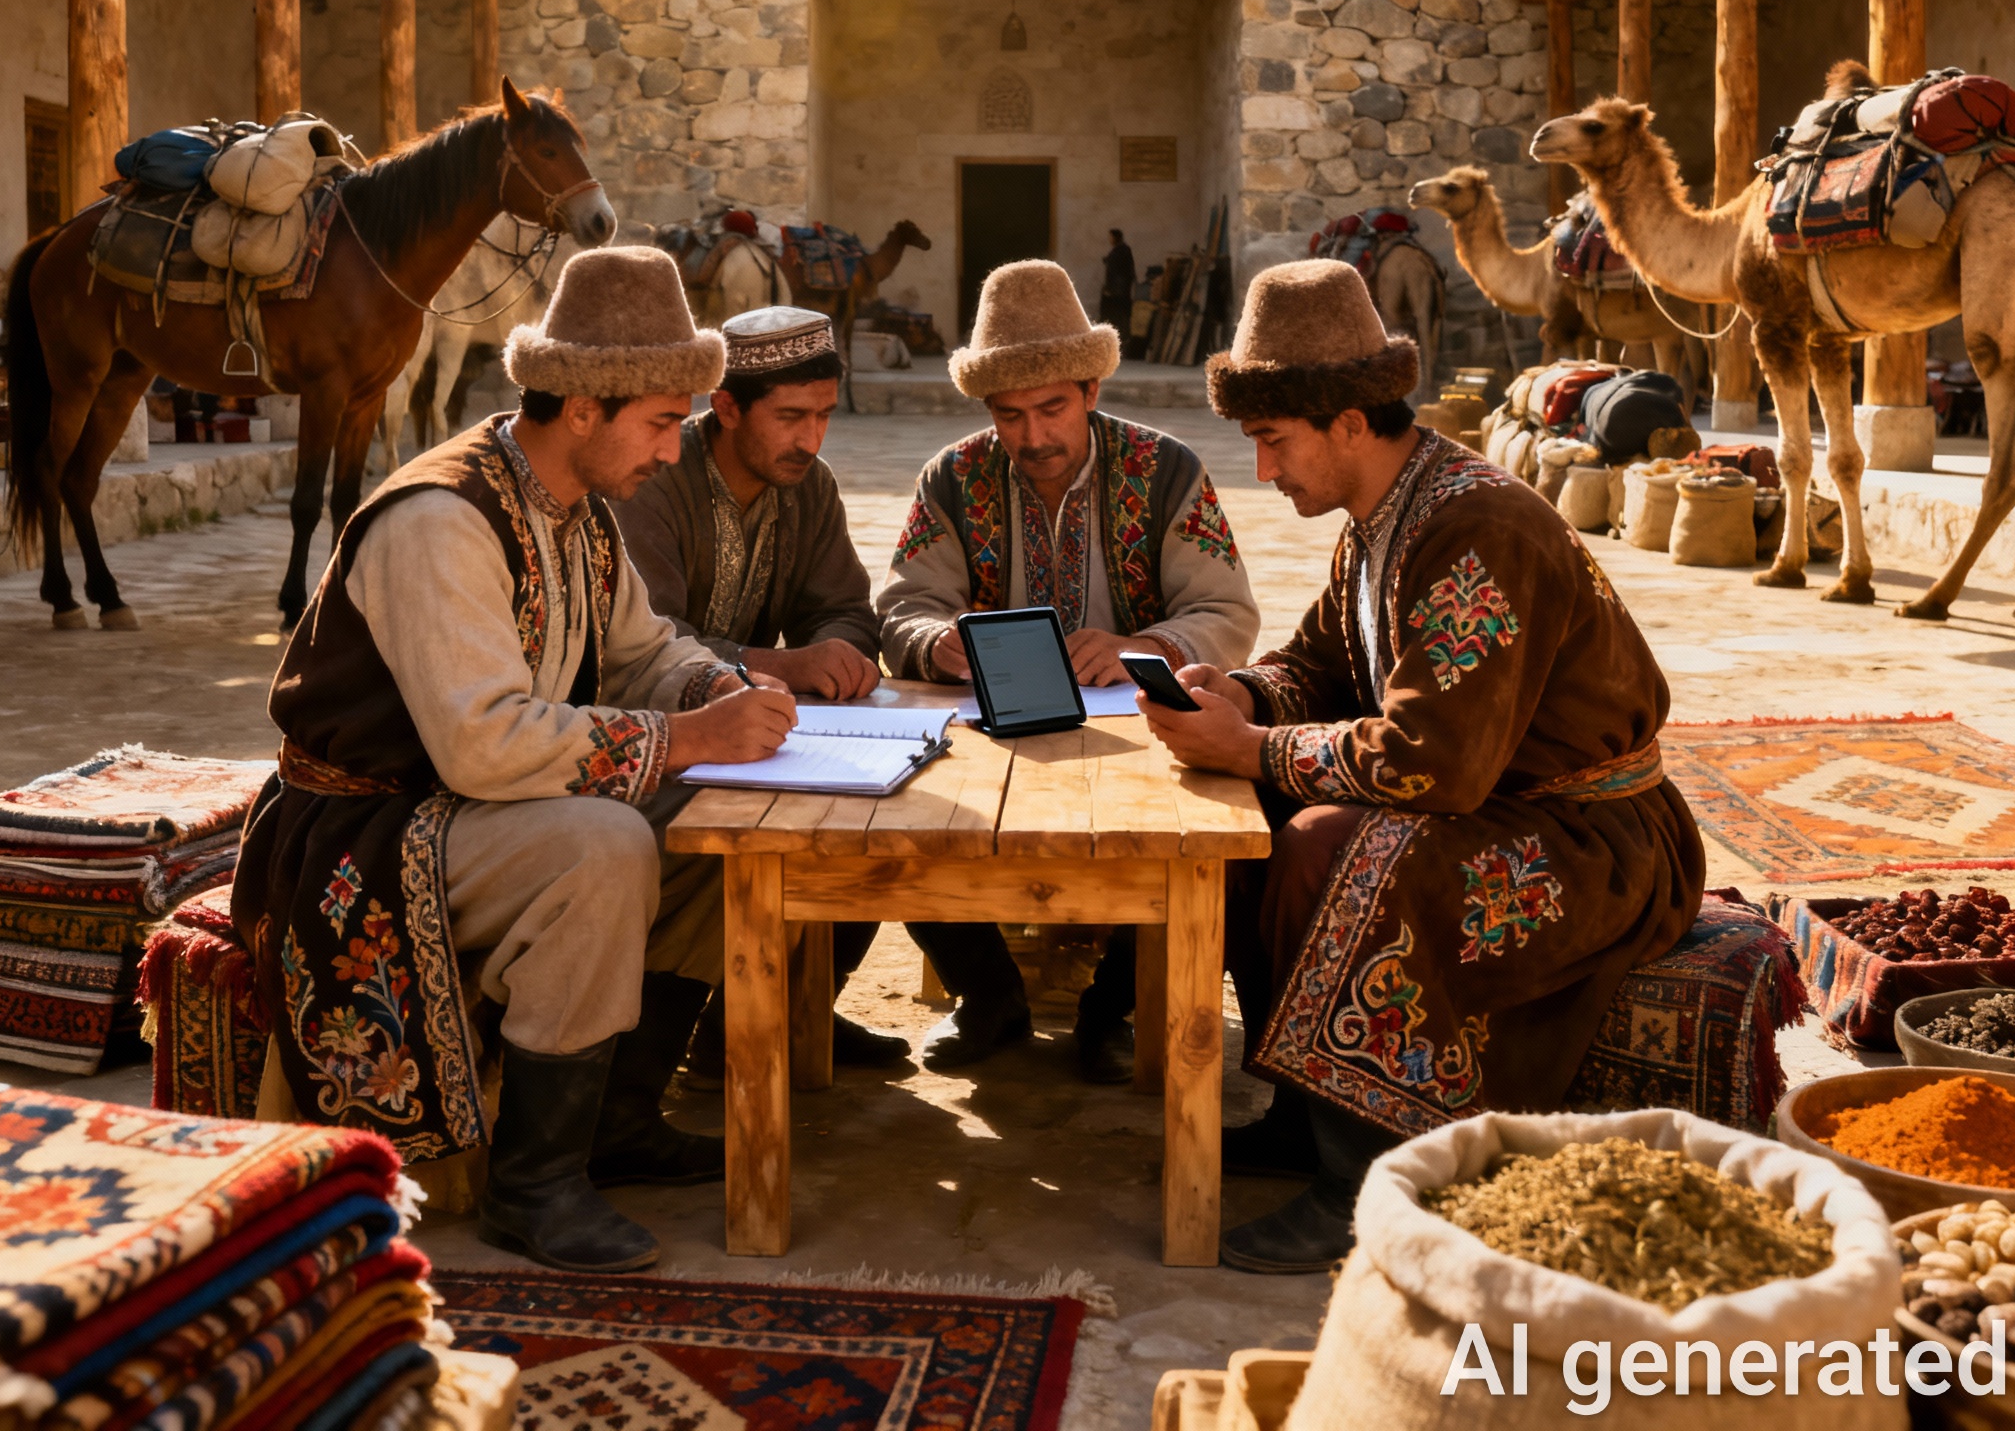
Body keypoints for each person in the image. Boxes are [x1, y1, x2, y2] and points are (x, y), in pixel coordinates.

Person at [232, 247, 798, 1276]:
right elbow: (484, 743)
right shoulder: (442, 517)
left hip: (459, 810)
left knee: (722, 818)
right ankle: (531, 1185)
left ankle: (615, 1119)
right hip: (365, 833)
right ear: (581, 406)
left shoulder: (576, 511)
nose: (675, 452)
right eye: (663, 422)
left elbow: (642, 647)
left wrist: (712, 691)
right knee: (601, 843)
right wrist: (681, 738)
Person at [1137, 259, 1704, 1273]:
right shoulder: (1378, 518)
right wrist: (1246, 694)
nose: (1264, 471)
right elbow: (1315, 660)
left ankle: (1372, 1170)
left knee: (1326, 846)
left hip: (1592, 842)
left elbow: (1431, 762)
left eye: (1273, 441)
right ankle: (1308, 1109)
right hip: (1500, 803)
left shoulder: (1470, 524)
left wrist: (1258, 747)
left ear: (1348, 420)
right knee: (1251, 823)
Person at [878, 258, 1261, 1082]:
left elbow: (1227, 616)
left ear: (1091, 389)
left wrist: (1145, 649)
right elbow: (904, 605)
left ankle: (1110, 1009)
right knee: (895, 806)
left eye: (1052, 407)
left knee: (1204, 832)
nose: (1032, 437)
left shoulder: (1167, 471)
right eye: (1008, 416)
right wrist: (940, 642)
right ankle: (989, 997)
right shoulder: (951, 475)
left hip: (1139, 739)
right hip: (993, 735)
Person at [612, 303, 915, 1075]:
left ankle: (787, 1010)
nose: (810, 439)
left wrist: (841, 652)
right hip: (649, 733)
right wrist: (781, 665)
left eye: (822, 416)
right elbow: (644, 641)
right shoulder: (653, 477)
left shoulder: (808, 485)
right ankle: (675, 1052)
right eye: (790, 417)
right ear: (725, 407)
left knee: (881, 807)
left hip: (762, 733)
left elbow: (846, 609)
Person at [1099, 228, 1135, 336]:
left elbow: (1117, 270)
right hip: (1120, 289)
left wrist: (1110, 288)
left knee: (1116, 315)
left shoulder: (1120, 251)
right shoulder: (1121, 250)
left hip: (1118, 290)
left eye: (1111, 237)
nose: (1110, 239)